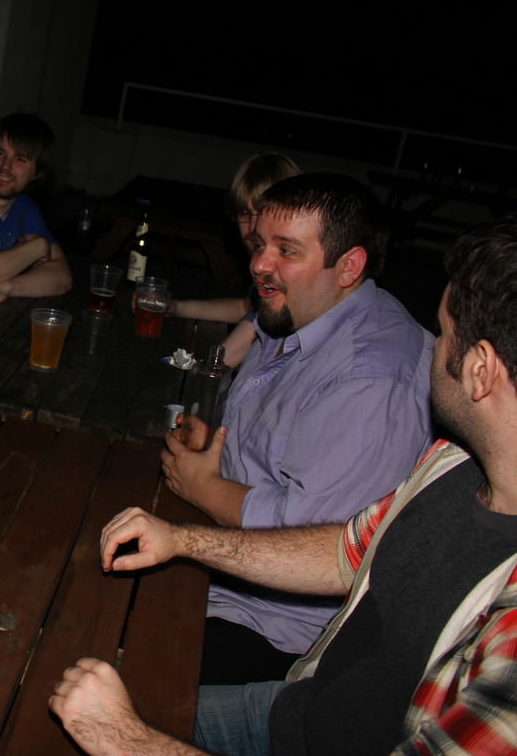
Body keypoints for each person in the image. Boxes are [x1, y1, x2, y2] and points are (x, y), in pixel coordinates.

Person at [51, 221, 517, 756]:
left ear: (479, 370)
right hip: (295, 710)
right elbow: (346, 553)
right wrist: (182, 539)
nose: (430, 347)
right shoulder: (453, 466)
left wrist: (125, 739)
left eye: (444, 334)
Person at [163, 172, 433, 684]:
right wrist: (215, 443)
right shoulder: (296, 310)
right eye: (259, 245)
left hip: (276, 628)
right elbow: (270, 439)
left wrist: (204, 487)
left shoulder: (372, 379)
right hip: (226, 569)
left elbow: (316, 542)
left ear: (349, 266)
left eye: (287, 250)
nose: (260, 265)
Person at [168, 153, 301, 367]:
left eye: (262, 213)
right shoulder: (264, 265)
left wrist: (194, 368)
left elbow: (221, 361)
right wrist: (175, 307)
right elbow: (245, 308)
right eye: (245, 213)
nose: (253, 227)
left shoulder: (295, 272)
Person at [0, 112, 72, 314]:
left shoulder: (26, 208)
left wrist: (5, 288)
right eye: (0, 153)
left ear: (37, 173)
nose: (6, 167)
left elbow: (62, 278)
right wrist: (35, 249)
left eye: (21, 159)